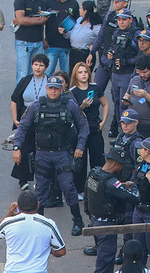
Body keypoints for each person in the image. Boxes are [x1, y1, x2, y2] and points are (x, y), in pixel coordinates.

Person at [13, 75, 90, 236]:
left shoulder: (69, 105)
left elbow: (84, 126)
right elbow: (22, 127)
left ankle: (77, 220)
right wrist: (16, 147)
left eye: (56, 88)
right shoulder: (36, 105)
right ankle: (38, 224)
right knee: (40, 190)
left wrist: (80, 146)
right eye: (51, 88)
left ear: (61, 89)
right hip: (42, 153)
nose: (53, 91)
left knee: (68, 187)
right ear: (46, 88)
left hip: (62, 152)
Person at [82, 148, 141, 273]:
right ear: (116, 164)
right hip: (107, 227)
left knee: (102, 265)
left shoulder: (94, 174)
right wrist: (133, 186)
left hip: (95, 222)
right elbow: (135, 198)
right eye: (121, 165)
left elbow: (86, 198)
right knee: (104, 266)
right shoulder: (111, 182)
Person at [0, 190, 66, 273]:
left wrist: (9, 214)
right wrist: (50, 250)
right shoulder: (48, 224)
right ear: (38, 205)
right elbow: (61, 251)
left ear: (18, 207)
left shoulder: (9, 222)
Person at [10, 54, 50, 190]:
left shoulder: (49, 81)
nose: (38, 68)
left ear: (46, 67)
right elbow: (14, 99)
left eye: (41, 65)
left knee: (42, 149)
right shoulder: (25, 80)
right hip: (26, 117)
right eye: (36, 64)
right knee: (25, 147)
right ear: (32, 65)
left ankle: (41, 178)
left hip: (44, 119)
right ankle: (23, 178)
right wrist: (15, 119)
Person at [68, 62, 108, 195]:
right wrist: (82, 106)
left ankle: (99, 188)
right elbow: (72, 114)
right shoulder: (73, 92)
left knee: (98, 159)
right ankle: (79, 189)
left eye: (85, 72)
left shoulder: (95, 88)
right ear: (75, 75)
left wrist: (103, 121)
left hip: (95, 127)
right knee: (81, 161)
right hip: (80, 130)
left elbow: (105, 104)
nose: (83, 75)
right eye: (80, 72)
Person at [100, 9, 139, 139]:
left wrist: (127, 62)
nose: (121, 22)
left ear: (130, 20)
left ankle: (127, 134)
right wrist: (110, 53)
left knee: (124, 104)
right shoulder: (116, 32)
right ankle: (119, 130)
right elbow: (112, 47)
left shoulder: (135, 34)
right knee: (116, 103)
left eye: (124, 19)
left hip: (127, 74)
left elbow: (140, 57)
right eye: (119, 20)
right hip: (115, 74)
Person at [89, 0, 131, 98]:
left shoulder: (131, 23)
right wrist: (92, 52)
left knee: (117, 97)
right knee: (95, 90)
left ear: (125, 3)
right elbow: (101, 34)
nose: (115, 2)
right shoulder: (109, 15)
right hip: (105, 60)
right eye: (114, 1)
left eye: (118, 1)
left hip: (118, 64)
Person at [12, 0, 49, 82]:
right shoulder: (20, 1)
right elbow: (21, 20)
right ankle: (20, 94)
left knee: (36, 73)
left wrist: (43, 39)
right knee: (23, 73)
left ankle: (33, 94)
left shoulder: (42, 2)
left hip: (38, 42)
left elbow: (43, 21)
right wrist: (39, 20)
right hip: (24, 42)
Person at [62, 1, 102, 73]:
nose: (79, 10)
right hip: (74, 52)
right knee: (72, 75)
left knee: (83, 75)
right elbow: (73, 34)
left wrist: (93, 46)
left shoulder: (96, 26)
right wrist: (65, 33)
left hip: (84, 54)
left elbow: (102, 38)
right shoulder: (79, 20)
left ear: (85, 11)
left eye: (81, 8)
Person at [43, 0, 79, 75]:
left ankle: (66, 87)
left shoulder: (74, 3)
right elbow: (41, 20)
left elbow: (77, 24)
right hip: (51, 45)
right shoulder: (48, 2)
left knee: (66, 74)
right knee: (47, 73)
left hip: (67, 46)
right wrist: (42, 39)